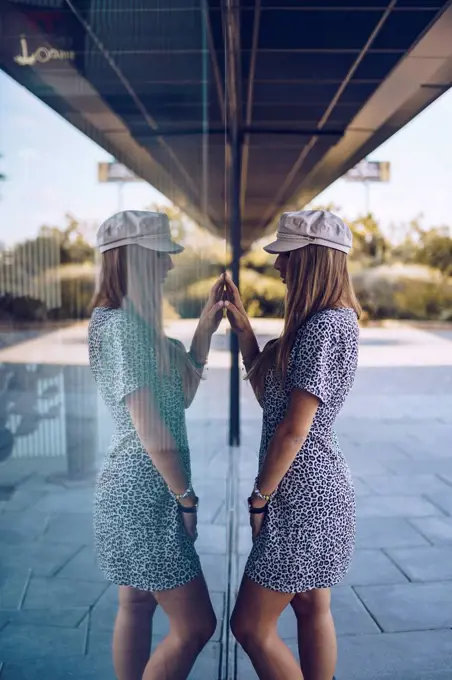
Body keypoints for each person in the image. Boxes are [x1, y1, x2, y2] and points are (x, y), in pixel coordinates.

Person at [88, 210, 224, 680]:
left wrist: (204, 329)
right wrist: (185, 498)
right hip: (145, 493)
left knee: (138, 603)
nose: (169, 267)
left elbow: (179, 395)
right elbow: (150, 429)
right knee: (195, 625)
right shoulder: (124, 327)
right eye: (159, 257)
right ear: (133, 260)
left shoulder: (131, 324)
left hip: (133, 488)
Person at [226, 210, 361, 680]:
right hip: (313, 489)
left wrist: (260, 496)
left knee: (249, 626)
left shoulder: (324, 326)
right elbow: (274, 403)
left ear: (312, 260)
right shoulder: (320, 323)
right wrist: (246, 333)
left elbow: (293, 430)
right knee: (309, 605)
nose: (279, 267)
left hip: (303, 495)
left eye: (287, 257)